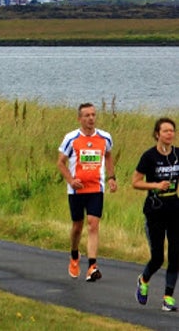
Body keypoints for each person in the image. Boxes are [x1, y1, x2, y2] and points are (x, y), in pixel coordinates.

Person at [57, 103, 117, 282]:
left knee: (93, 224)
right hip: (76, 191)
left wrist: (112, 177)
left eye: (93, 115)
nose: (91, 118)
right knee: (77, 226)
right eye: (87, 116)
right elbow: (60, 162)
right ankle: (74, 255)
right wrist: (71, 180)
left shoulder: (105, 137)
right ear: (79, 119)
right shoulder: (71, 138)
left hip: (96, 188)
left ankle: (92, 266)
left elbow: (108, 155)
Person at [132, 117, 179, 311]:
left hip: (174, 207)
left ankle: (168, 298)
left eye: (172, 131)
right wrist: (156, 185)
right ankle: (143, 279)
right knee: (158, 257)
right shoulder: (149, 156)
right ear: (157, 134)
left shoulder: (177, 154)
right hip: (155, 208)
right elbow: (135, 182)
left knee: (176, 255)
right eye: (166, 131)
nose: (170, 134)